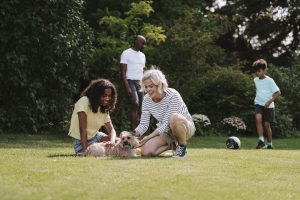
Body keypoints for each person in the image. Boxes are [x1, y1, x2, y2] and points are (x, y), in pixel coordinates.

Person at [131, 69, 195, 157]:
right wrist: (132, 134)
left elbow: (166, 123)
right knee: (146, 152)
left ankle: (182, 147)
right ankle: (173, 145)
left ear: (160, 85)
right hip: (166, 131)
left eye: (151, 86)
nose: (147, 90)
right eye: (146, 87)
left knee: (174, 118)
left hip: (184, 127)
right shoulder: (146, 99)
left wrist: (148, 137)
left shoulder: (173, 95)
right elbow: (144, 124)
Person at [68, 78, 118, 155]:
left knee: (119, 141)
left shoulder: (103, 108)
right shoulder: (84, 101)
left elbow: (112, 130)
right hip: (81, 141)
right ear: (97, 94)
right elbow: (82, 129)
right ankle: (100, 148)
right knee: (96, 152)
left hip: (96, 136)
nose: (107, 98)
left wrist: (112, 141)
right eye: (104, 95)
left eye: (109, 96)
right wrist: (86, 150)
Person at [252, 59, 281, 149]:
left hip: (269, 106)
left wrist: (269, 101)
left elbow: (278, 92)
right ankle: (261, 140)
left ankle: (270, 143)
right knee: (258, 118)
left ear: (264, 70)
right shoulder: (255, 80)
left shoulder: (270, 81)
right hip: (258, 103)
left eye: (259, 71)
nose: (257, 73)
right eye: (256, 71)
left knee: (267, 125)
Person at [120, 35, 146, 130]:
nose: (142, 45)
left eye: (144, 43)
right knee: (135, 103)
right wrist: (127, 86)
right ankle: (134, 130)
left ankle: (140, 130)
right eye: (141, 42)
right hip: (130, 80)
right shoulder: (126, 53)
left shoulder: (142, 55)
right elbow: (123, 71)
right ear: (135, 41)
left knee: (142, 107)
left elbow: (142, 72)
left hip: (140, 83)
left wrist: (145, 85)